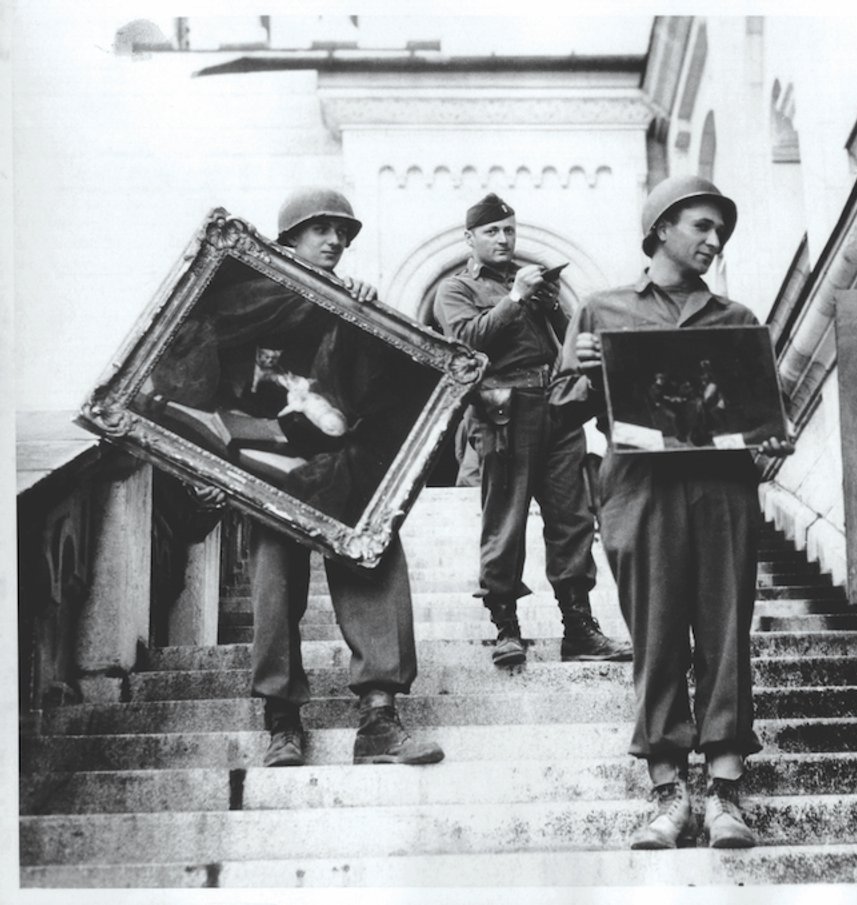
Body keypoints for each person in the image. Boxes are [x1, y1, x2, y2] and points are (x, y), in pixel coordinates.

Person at [554, 175, 793, 850]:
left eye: (720, 231)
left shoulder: (738, 321)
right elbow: (562, 408)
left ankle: (724, 790)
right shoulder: (602, 310)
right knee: (656, 636)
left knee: (723, 633)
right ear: (660, 229)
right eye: (701, 226)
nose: (714, 241)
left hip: (722, 489)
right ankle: (667, 791)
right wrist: (582, 368)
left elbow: (768, 418)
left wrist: (775, 437)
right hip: (638, 487)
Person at [213, 187, 444, 769]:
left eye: (344, 233)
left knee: (372, 558)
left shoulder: (348, 303)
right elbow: (216, 379)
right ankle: (281, 722)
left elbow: (378, 388)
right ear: (288, 236)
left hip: (345, 465)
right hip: (272, 464)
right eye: (323, 230)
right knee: (272, 585)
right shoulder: (247, 300)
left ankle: (379, 718)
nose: (336, 241)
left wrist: (363, 316)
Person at [434, 193, 631, 667]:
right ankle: (506, 628)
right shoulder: (455, 289)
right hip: (503, 412)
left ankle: (579, 629)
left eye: (509, 230)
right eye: (492, 232)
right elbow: (465, 344)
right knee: (505, 520)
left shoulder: (531, 285)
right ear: (470, 238)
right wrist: (515, 298)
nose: (504, 239)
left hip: (556, 409)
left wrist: (552, 306)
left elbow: (565, 345)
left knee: (572, 519)